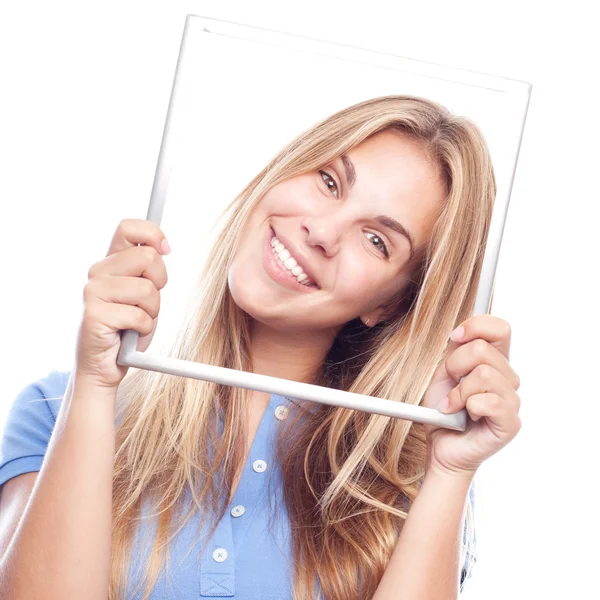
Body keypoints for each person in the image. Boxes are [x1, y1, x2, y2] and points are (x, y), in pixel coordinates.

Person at [0, 95, 521, 600]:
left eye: (377, 240)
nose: (322, 231)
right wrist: (93, 385)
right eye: (329, 181)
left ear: (389, 304)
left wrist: (451, 472)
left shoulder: (408, 480)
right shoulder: (54, 411)